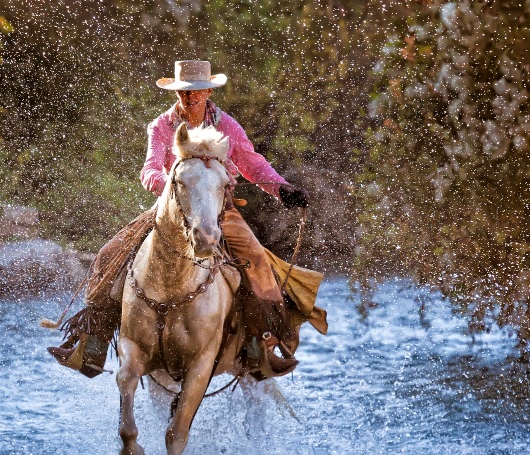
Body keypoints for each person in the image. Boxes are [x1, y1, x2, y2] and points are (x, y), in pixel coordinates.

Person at [48, 60, 326, 380]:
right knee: (110, 254)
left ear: (208, 91)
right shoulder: (161, 126)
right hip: (171, 209)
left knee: (256, 261)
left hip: (221, 210)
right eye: (184, 92)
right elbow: (149, 169)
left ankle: (259, 344)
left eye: (196, 92)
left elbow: (252, 164)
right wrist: (169, 185)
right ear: (177, 92)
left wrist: (282, 189)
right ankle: (92, 343)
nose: (190, 98)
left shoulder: (228, 127)